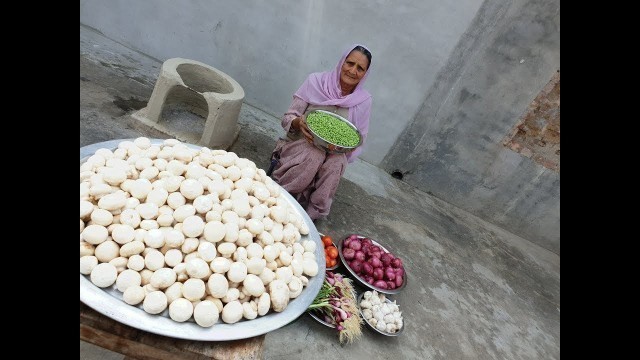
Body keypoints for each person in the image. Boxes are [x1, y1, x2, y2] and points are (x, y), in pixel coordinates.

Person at [270, 44, 373, 221]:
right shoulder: (315, 82)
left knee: (336, 163)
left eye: (360, 68)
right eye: (350, 63)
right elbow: (288, 118)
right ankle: (281, 196)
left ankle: (311, 215)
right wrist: (298, 122)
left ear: (365, 74)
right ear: (342, 62)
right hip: (301, 144)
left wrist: (345, 149)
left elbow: (359, 138)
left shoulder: (363, 101)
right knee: (314, 154)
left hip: (334, 151)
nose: (353, 71)